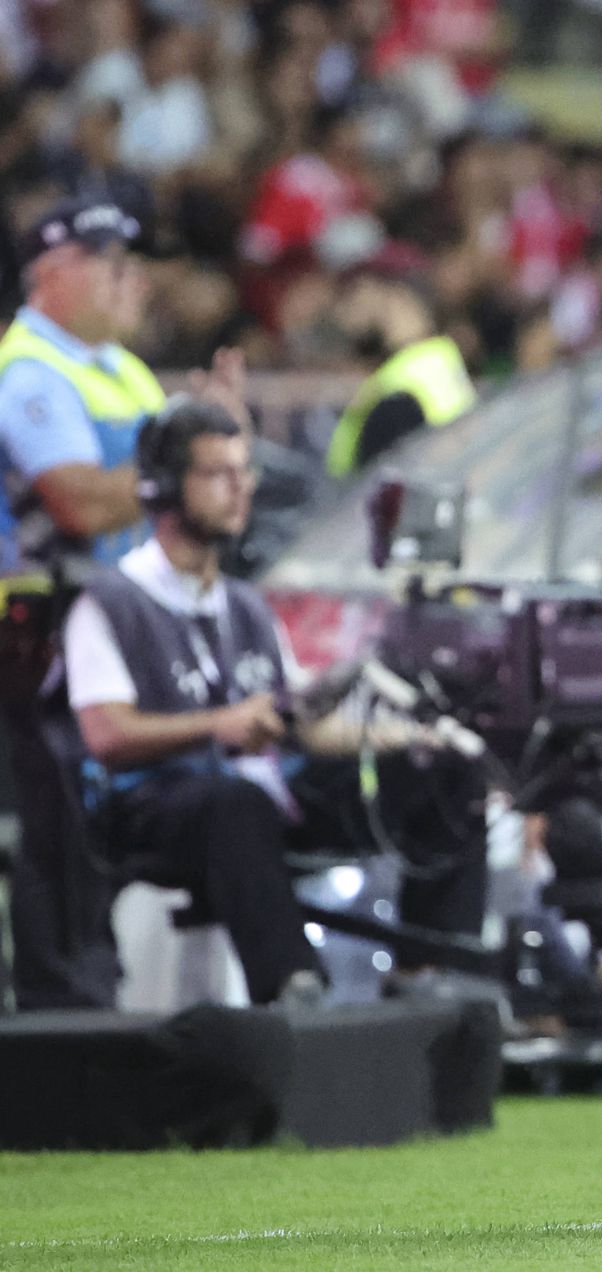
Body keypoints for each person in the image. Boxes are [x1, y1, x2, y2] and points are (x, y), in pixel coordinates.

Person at [65, 398, 491, 1006]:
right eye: (218, 474)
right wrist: (221, 726)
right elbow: (106, 736)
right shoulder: (111, 602)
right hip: (152, 809)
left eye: (244, 473)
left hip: (265, 799)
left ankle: (431, 971)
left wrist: (395, 738)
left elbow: (298, 725)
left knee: (445, 768)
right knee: (235, 804)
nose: (240, 491)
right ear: (161, 488)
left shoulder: (244, 605)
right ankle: (293, 986)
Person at [0, 197, 219, 1008]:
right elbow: (81, 505)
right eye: (113, 265)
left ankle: (96, 985)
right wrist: (187, 471)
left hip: (119, 615)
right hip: (39, 620)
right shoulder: (29, 369)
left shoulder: (117, 366)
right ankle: (62, 1000)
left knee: (101, 813)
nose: (135, 282)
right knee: (59, 812)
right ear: (51, 276)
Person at [325, 267, 476, 477]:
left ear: (404, 301)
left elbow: (383, 480)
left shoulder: (403, 384)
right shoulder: (436, 363)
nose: (344, 313)